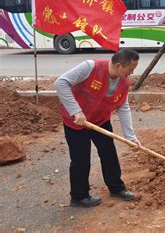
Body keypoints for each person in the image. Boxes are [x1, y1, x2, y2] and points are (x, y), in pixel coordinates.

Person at [54, 49, 141, 207]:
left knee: (109, 154)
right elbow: (61, 83)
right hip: (77, 122)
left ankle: (116, 188)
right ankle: (79, 196)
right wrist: (76, 111)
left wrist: (130, 137)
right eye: (131, 68)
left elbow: (123, 107)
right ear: (119, 65)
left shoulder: (124, 82)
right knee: (81, 159)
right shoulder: (90, 67)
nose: (132, 72)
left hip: (100, 120)